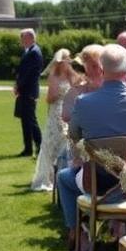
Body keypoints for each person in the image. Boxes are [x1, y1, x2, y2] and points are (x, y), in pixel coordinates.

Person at [56, 44, 126, 251]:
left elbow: (73, 136)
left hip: (97, 185)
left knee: (64, 177)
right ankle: (116, 233)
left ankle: (78, 236)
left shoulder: (84, 103)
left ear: (102, 69)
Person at [32, 49, 78, 191]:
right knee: (51, 143)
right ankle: (47, 177)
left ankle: (61, 175)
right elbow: (49, 99)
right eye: (66, 59)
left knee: (65, 143)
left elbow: (78, 87)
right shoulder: (54, 75)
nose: (68, 61)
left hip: (68, 110)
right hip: (56, 110)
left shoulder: (71, 74)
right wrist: (58, 94)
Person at [14, 28, 43, 157]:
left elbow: (29, 74)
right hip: (25, 90)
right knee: (25, 120)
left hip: (29, 91)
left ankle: (40, 146)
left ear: (30, 38)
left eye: (23, 38)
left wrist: (18, 86)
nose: (21, 40)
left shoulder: (34, 52)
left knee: (31, 120)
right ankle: (28, 149)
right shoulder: (28, 51)